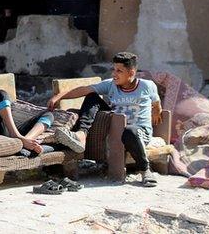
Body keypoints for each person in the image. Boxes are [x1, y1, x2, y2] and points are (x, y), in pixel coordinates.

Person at [47, 52, 162, 186]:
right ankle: (82, 134)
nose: (114, 74)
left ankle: (145, 170)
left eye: (119, 71)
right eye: (114, 69)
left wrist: (157, 111)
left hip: (138, 133)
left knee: (130, 131)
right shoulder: (111, 84)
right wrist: (59, 96)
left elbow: (156, 102)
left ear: (131, 73)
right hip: (115, 131)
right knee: (92, 96)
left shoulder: (147, 86)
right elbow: (84, 90)